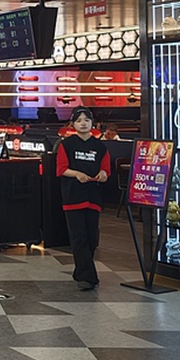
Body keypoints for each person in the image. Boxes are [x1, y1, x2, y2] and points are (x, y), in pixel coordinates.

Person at [55, 107, 110, 290]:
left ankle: (80, 272)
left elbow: (106, 170)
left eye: (86, 120)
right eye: (79, 121)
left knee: (92, 238)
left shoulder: (100, 147)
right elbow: (62, 169)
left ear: (92, 123)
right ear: (73, 124)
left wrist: (102, 174)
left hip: (93, 196)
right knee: (79, 238)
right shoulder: (66, 144)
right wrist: (77, 174)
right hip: (73, 197)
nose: (83, 123)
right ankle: (88, 277)